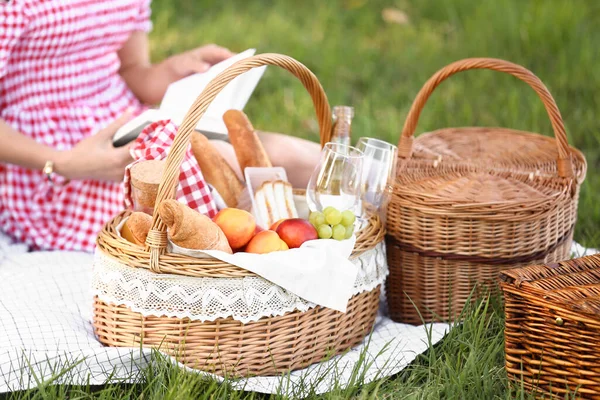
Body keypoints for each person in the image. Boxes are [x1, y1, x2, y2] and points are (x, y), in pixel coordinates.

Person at [0, 0, 321, 253]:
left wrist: (172, 70)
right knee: (243, 168)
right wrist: (64, 163)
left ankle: (364, 258)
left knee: (287, 156)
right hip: (44, 161)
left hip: (127, 126)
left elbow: (131, 71)